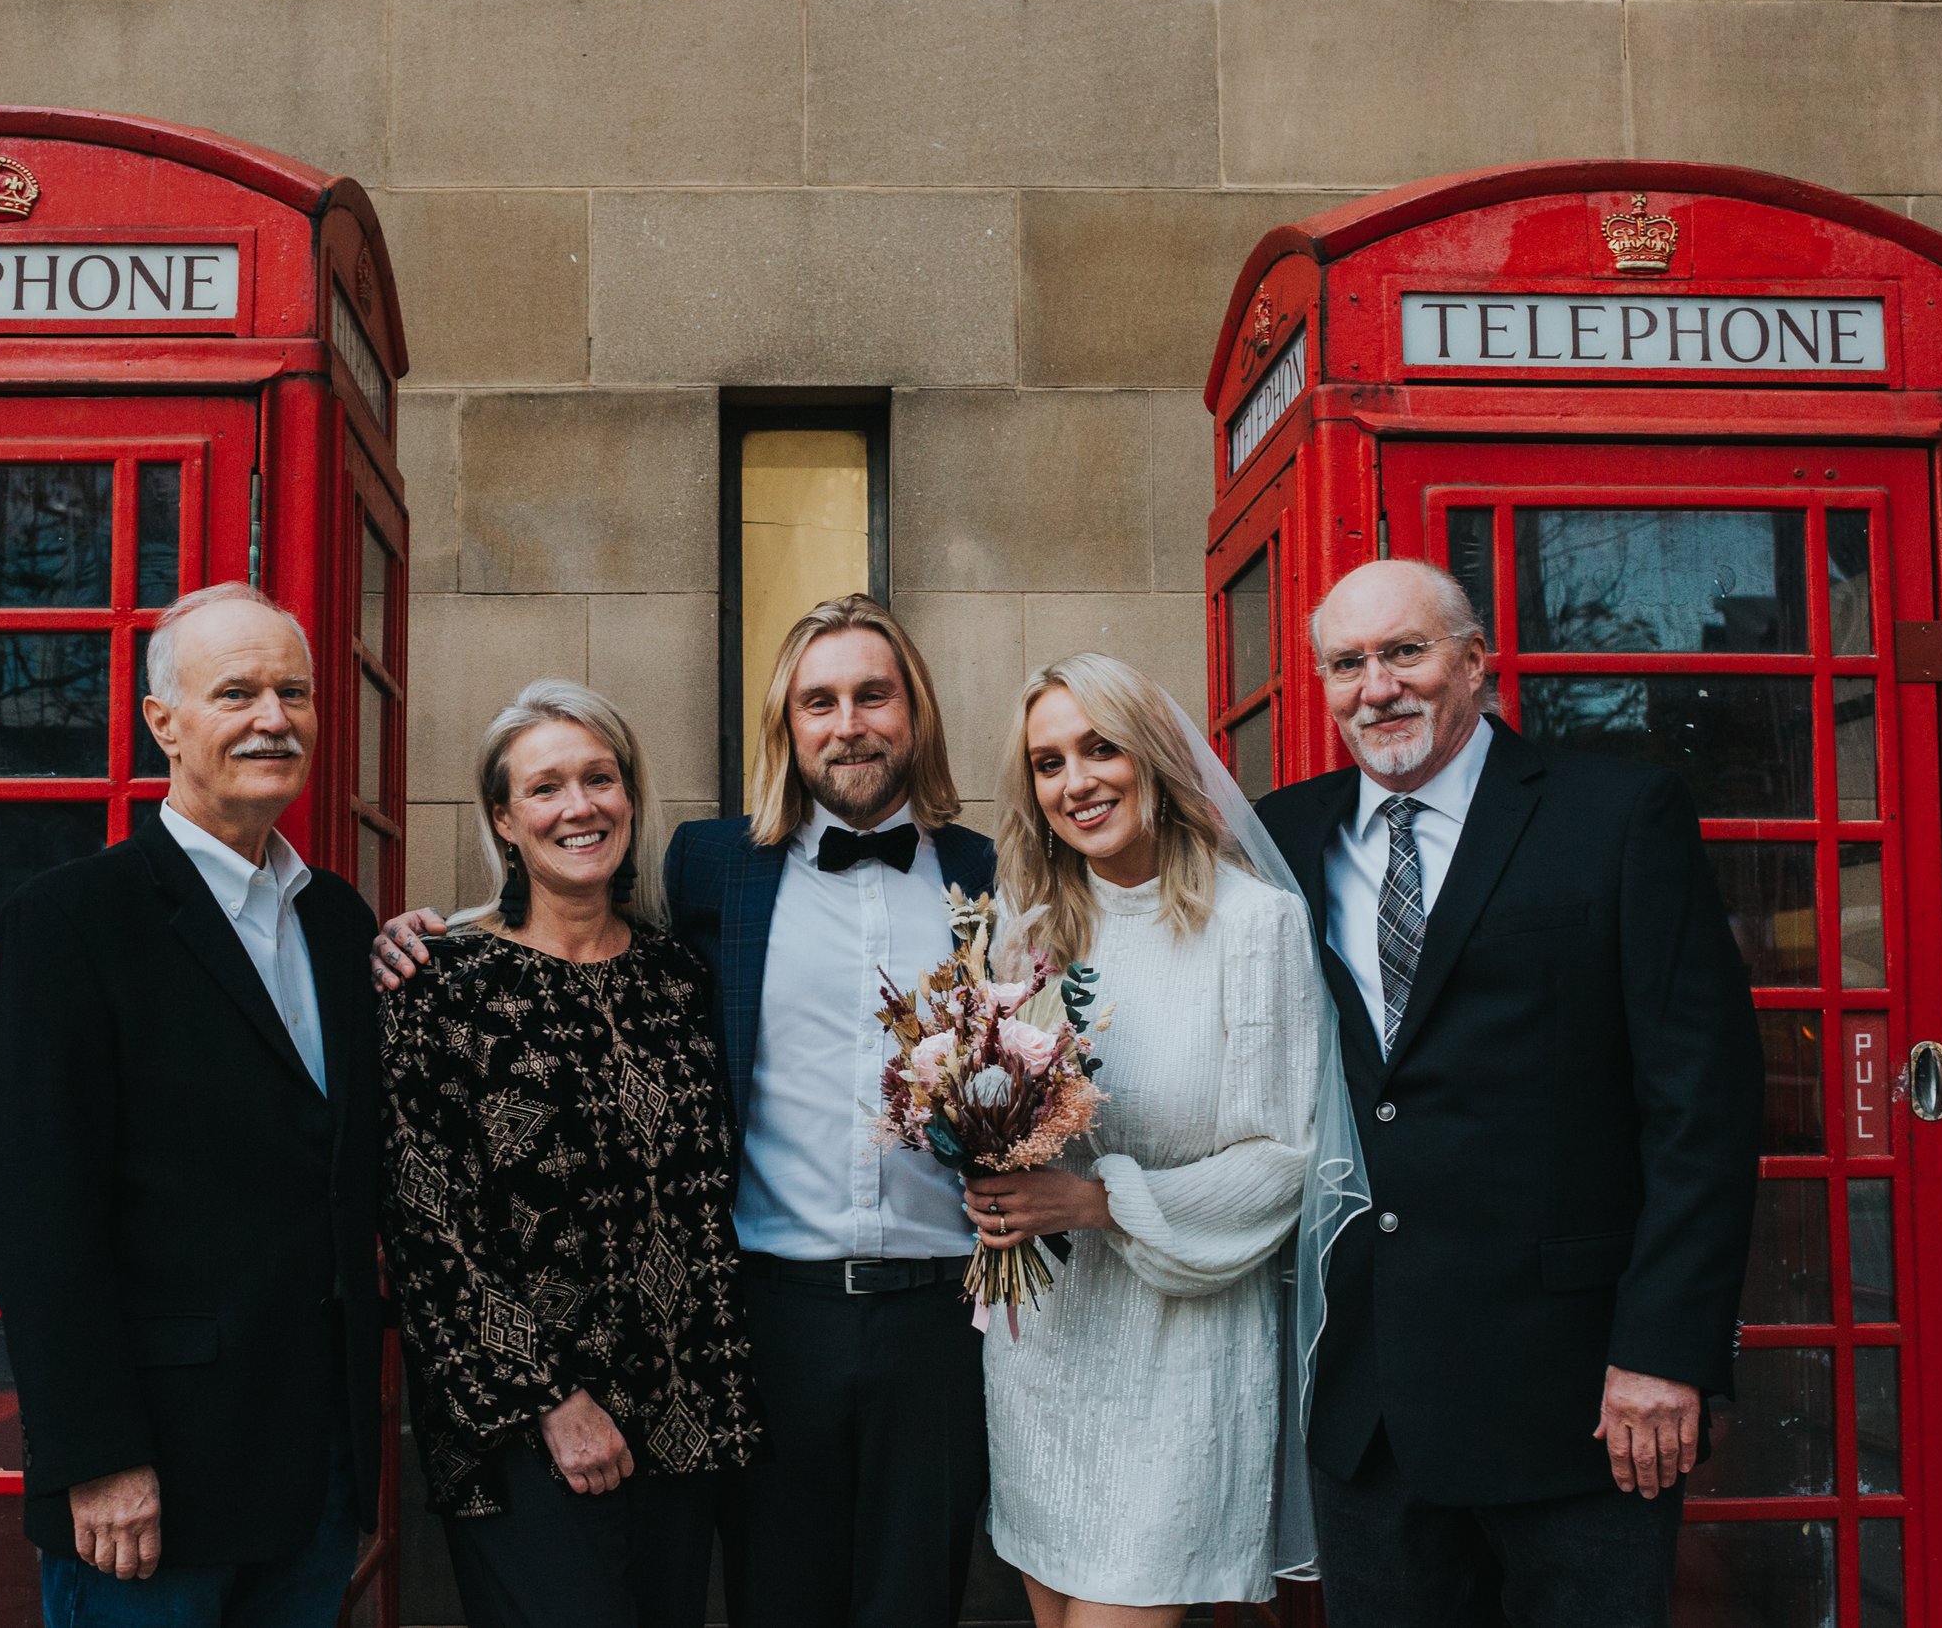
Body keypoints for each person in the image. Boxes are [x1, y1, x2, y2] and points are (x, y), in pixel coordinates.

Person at [375, 595, 995, 1628]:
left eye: (872, 694)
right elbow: (424, 1215)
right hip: (765, 1323)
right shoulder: (721, 868)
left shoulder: (983, 872)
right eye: (819, 701)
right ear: (785, 728)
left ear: (914, 711)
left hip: (911, 1326)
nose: (848, 723)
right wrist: (400, 944)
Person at [1252, 559, 1764, 1628]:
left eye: (1406, 650)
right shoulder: (1277, 839)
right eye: (1346, 662)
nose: (1376, 685)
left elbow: (1699, 1106)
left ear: (1474, 660)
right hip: (1367, 1397)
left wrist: (1665, 1352)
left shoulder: (1614, 814)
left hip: (1579, 1396)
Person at [0, 582, 383, 1628]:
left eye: (294, 690)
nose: (273, 717)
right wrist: (96, 1453)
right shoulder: (70, 921)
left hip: (314, 1469)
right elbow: (36, 1213)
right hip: (150, 1477)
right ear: (163, 721)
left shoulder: (338, 920)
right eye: (236, 691)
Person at [963, 653, 1355, 1627]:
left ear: (1154, 754)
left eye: (1100, 748)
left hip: (1181, 1355)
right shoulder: (1028, 928)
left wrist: (1096, 1199)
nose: (1076, 781)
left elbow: (1286, 1155)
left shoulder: (1253, 924)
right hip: (1044, 1353)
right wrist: (976, 1148)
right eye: (1048, 762)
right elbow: (998, 1106)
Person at [377, 680, 759, 1628]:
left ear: (631, 795)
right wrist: (553, 1401)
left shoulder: (679, 978)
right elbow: (428, 1232)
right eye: (545, 788)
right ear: (503, 820)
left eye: (601, 778)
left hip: (685, 1420)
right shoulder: (441, 986)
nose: (579, 805)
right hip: (522, 1434)